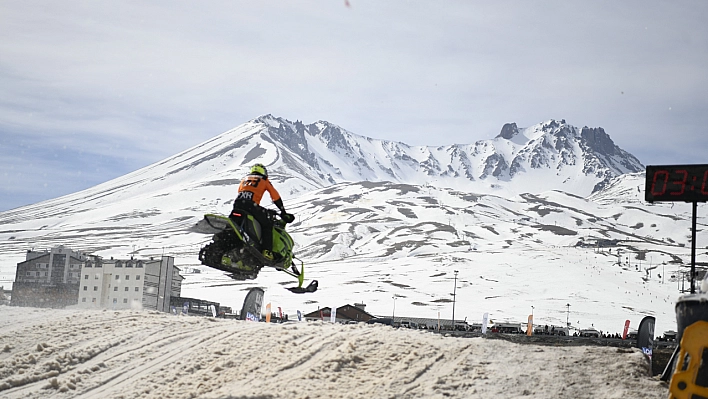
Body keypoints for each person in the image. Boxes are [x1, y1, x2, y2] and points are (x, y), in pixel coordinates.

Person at [233, 163, 288, 260]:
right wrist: (282, 210)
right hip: (251, 206)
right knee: (267, 224)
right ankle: (267, 251)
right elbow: (275, 196)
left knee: (233, 223)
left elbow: (241, 192)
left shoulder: (244, 180)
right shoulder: (263, 179)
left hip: (237, 204)